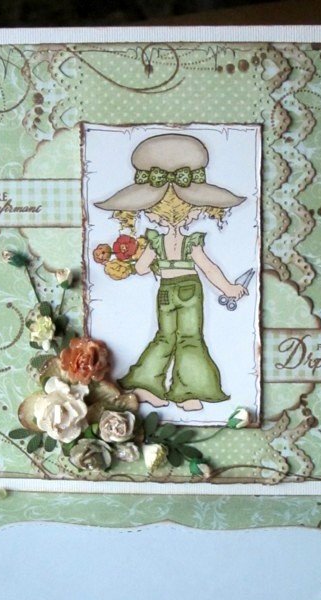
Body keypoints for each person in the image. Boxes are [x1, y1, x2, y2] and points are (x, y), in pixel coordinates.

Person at [95, 133, 247, 412]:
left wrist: (136, 259)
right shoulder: (186, 242)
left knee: (168, 338)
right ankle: (183, 392)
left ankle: (155, 387)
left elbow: (143, 268)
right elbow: (207, 268)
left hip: (170, 290)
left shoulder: (161, 241)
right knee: (187, 339)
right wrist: (229, 288)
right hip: (187, 290)